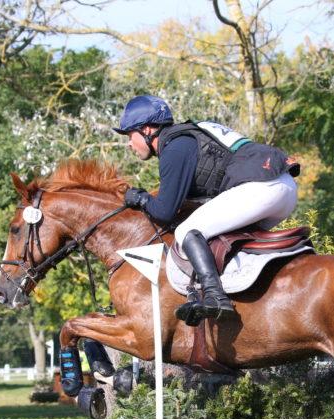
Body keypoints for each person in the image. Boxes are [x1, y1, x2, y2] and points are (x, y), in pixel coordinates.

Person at [114, 95, 300, 323]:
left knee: (187, 232)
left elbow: (164, 212)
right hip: (283, 186)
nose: (129, 143)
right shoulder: (188, 136)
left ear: (147, 129)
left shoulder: (174, 148)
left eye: (129, 134)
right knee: (224, 239)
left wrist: (141, 198)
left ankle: (215, 297)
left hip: (262, 187)